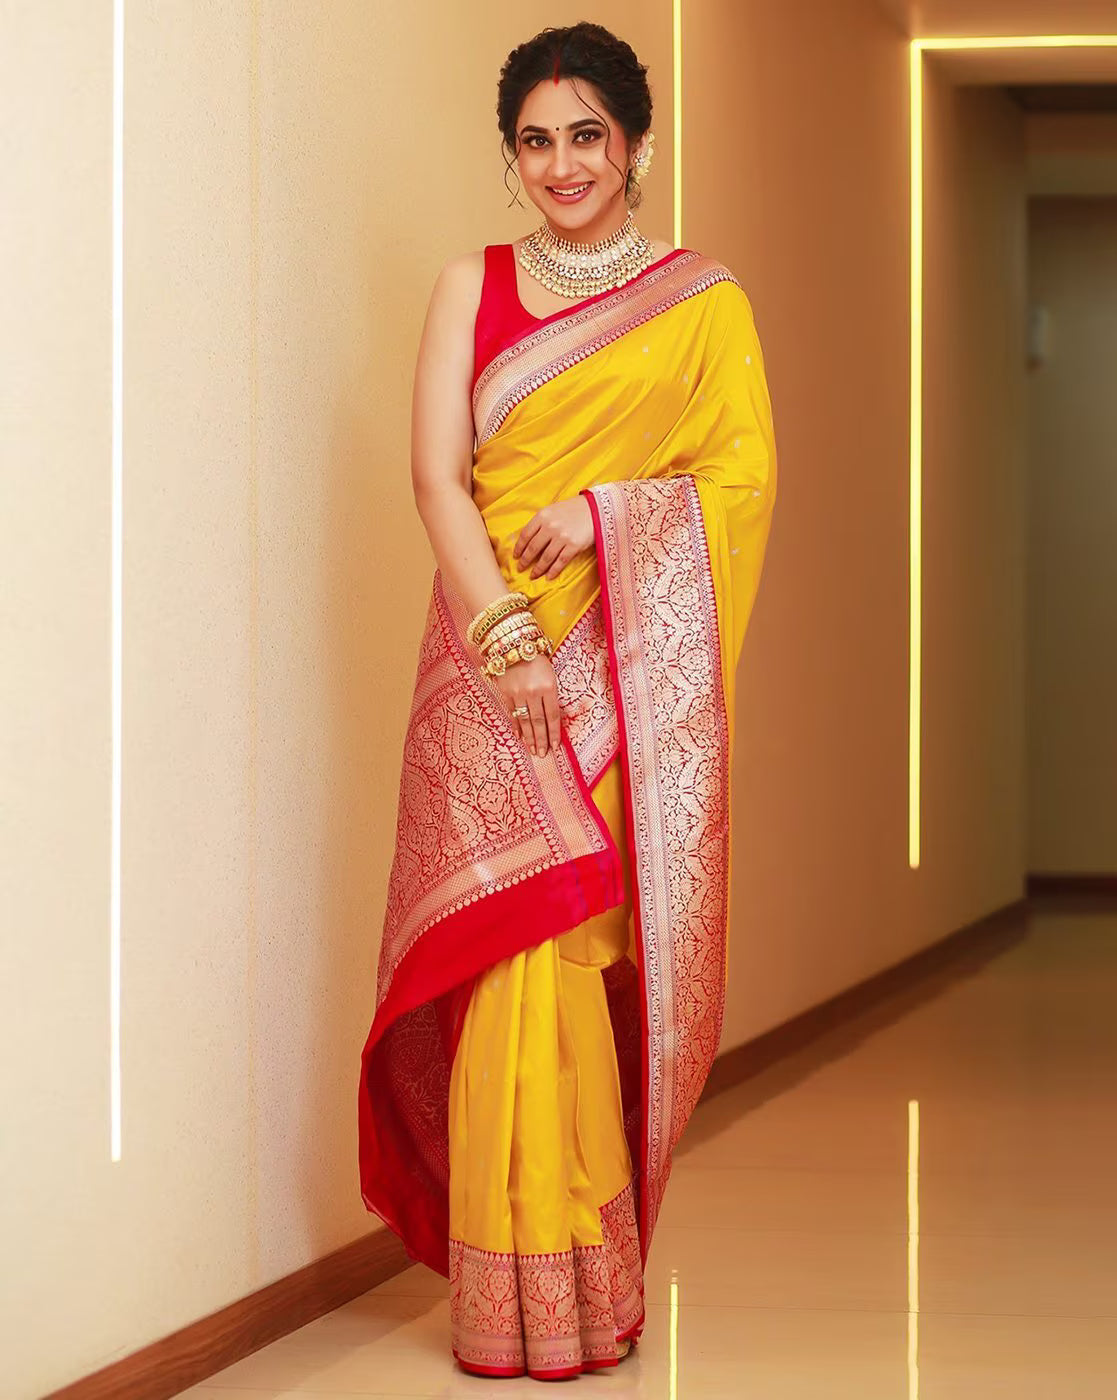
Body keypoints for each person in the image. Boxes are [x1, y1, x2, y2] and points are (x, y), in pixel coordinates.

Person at [357, 20, 777, 1382]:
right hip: (493, 673)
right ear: (510, 158)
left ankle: (580, 1291)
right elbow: (438, 477)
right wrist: (504, 639)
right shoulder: (464, 285)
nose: (560, 164)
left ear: (636, 144)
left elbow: (739, 483)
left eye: (584, 134)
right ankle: (518, 1294)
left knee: (566, 961)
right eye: (534, 141)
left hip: (619, 682)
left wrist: (607, 516)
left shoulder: (700, 302)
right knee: (502, 961)